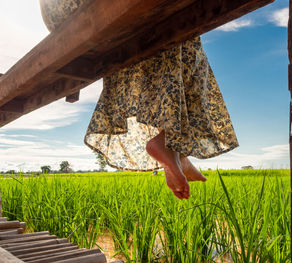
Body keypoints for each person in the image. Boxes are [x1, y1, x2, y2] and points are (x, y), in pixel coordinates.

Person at [39, 0, 239, 199]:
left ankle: (177, 149)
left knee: (177, 24)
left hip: (59, 12)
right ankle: (172, 144)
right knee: (181, 22)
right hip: (77, 9)